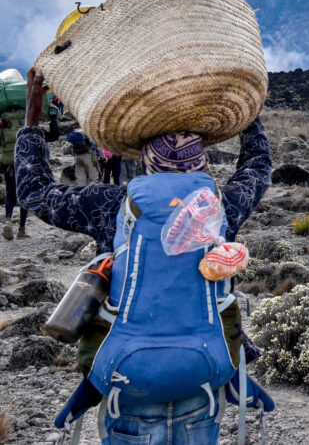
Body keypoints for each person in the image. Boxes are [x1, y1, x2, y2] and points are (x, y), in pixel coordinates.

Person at [16, 69, 272, 443]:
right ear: (201, 164)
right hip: (202, 374)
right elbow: (258, 169)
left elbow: (35, 192)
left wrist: (31, 122)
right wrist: (251, 115)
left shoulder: (110, 204)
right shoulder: (218, 210)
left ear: (143, 161)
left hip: (126, 381)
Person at [2, 91, 59, 240]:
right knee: (24, 196)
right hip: (26, 165)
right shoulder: (30, 128)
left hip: (8, 162)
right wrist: (53, 119)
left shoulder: (4, 125)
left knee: (10, 194)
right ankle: (21, 229)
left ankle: (7, 220)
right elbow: (53, 136)